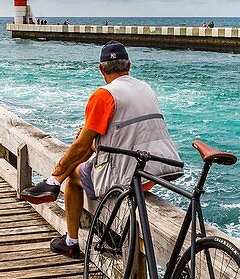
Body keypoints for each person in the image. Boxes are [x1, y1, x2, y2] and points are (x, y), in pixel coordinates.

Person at [21, 41, 182, 258]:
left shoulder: (104, 95)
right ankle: (53, 184)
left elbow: (81, 147)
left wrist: (64, 164)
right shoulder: (146, 88)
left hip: (124, 175)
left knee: (74, 177)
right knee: (89, 144)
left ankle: (70, 238)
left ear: (101, 69)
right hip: (152, 172)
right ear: (129, 65)